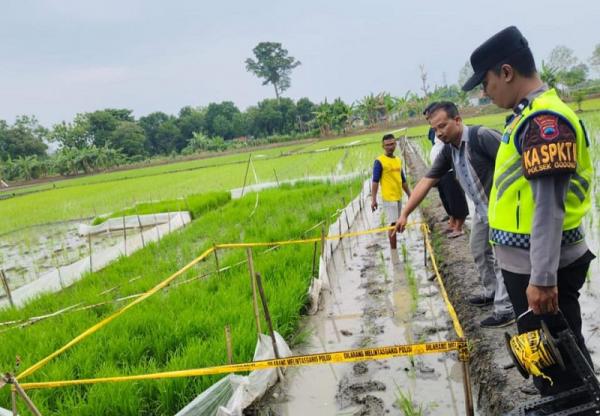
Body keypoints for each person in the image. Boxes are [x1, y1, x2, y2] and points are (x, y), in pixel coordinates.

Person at [462, 26, 595, 397]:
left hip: (542, 268)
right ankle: (551, 392)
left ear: (506, 72)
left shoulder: (545, 122)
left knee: (564, 361)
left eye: (485, 83)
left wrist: (543, 277)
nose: (485, 93)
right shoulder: (527, 116)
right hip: (526, 265)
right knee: (543, 352)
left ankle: (573, 403)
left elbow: (549, 208)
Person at [395, 101, 515, 328]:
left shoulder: (482, 137)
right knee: (478, 249)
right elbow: (426, 182)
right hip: (482, 211)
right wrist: (405, 213)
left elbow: (516, 162)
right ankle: (491, 292)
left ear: (457, 120)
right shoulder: (449, 151)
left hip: (502, 211)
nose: (439, 133)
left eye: (443, 126)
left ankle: (505, 310)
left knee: (501, 260)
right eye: (435, 129)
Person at [424, 103, 469, 238]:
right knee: (446, 199)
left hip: (449, 170)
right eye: (427, 118)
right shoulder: (433, 130)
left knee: (455, 198)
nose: (439, 132)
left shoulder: (451, 132)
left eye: (430, 115)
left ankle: (459, 227)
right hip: (440, 171)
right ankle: (452, 223)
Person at [371, 133, 411, 249]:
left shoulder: (398, 160)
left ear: (395, 144)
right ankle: (394, 251)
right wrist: (373, 200)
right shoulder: (379, 161)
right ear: (383, 146)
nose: (390, 147)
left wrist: (410, 194)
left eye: (392, 144)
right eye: (387, 145)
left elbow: (402, 179)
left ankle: (395, 246)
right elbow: (375, 181)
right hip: (389, 197)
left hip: (398, 196)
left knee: (398, 224)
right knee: (393, 225)